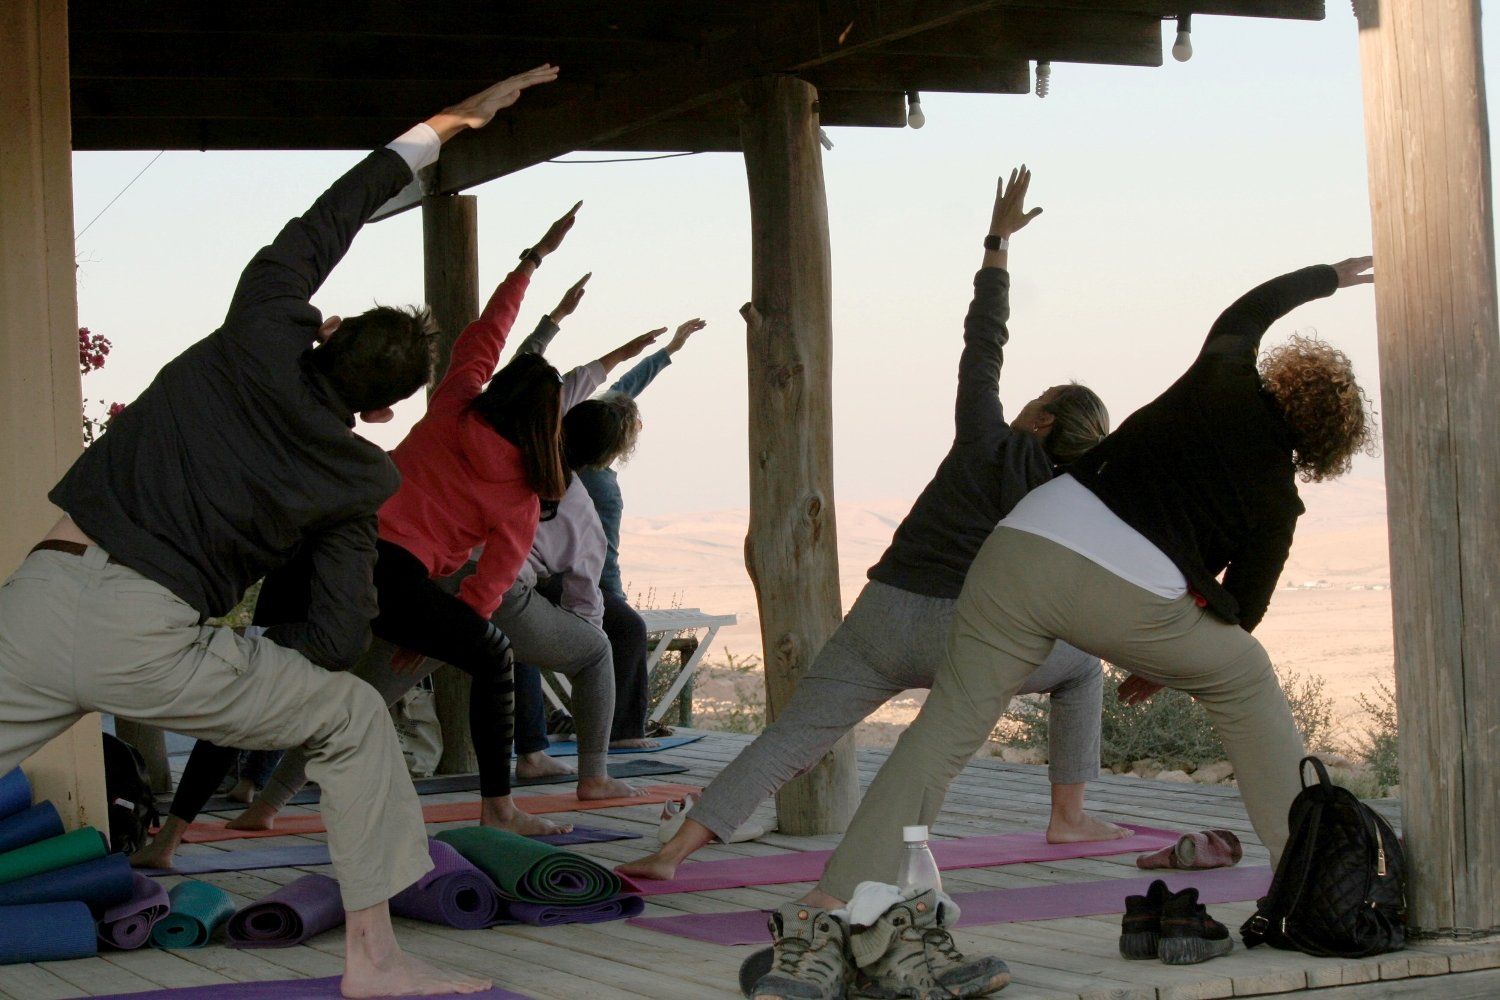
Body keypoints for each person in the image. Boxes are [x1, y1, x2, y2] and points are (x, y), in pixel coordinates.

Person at [3, 67, 563, 996]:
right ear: (382, 414)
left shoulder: (261, 324)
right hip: (149, 638)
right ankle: (374, 961)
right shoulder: (358, 474)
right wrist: (266, 663)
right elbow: (344, 632)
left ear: (325, 330)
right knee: (348, 716)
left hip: (39, 596)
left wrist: (440, 126)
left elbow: (326, 218)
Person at [805, 251, 1377, 911]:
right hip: (1120, 595)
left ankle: (840, 892)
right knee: (1244, 675)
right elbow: (1238, 613)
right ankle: (1306, 886)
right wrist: (1160, 663)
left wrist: (1329, 276)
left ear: (1284, 380)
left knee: (945, 729)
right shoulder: (1279, 502)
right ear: (1324, 447)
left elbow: (1251, 307)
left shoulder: (1221, 374)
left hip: (1021, 545)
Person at [620, 166, 1118, 886]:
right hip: (965, 637)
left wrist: (997, 244)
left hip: (881, 617)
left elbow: (984, 342)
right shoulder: (1074, 495)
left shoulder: (983, 436)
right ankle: (1068, 815)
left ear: (1040, 420)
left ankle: (674, 851)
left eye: (1036, 400)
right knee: (1081, 669)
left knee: (791, 737)